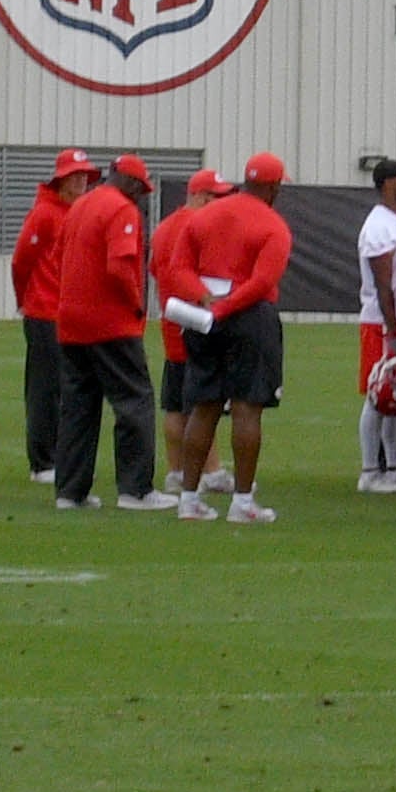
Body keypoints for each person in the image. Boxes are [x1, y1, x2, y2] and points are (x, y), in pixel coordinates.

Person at [158, 154, 295, 522]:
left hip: (204, 316)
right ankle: (243, 502)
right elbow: (263, 281)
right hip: (250, 318)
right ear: (274, 187)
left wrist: (205, 299)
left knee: (204, 406)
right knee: (248, 409)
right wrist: (229, 305)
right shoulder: (273, 225)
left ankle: (189, 499)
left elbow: (178, 268)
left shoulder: (203, 216)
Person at [50, 158, 172, 512]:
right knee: (134, 401)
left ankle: (70, 492)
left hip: (72, 322)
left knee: (78, 407)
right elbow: (119, 266)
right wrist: (136, 304)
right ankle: (135, 490)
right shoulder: (122, 210)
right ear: (131, 183)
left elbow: (58, 257)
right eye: (142, 188)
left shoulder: (80, 205)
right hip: (110, 323)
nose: (142, 196)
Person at [13, 151, 86, 483]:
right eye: (74, 177)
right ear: (61, 180)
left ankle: (58, 455)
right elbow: (21, 260)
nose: (80, 182)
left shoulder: (75, 213)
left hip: (68, 312)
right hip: (44, 311)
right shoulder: (44, 214)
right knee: (45, 389)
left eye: (83, 176)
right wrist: (25, 300)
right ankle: (42, 461)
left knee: (65, 387)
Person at [351, 156, 396, 495]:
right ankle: (369, 470)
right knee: (379, 395)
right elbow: (383, 284)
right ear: (388, 184)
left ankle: (393, 468)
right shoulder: (380, 225)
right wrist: (391, 332)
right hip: (385, 320)